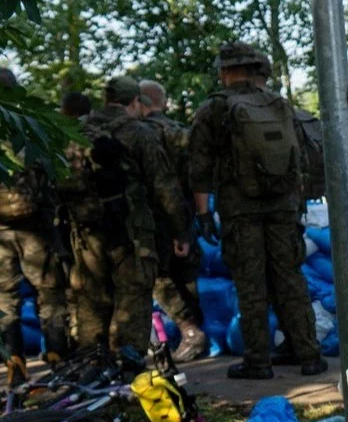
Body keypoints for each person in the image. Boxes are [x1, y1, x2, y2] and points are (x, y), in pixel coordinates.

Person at [187, 43, 325, 380]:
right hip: (284, 208)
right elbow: (301, 158)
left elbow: (198, 168)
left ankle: (258, 361)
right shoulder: (279, 104)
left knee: (251, 284)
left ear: (225, 71)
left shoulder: (215, 109)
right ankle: (307, 354)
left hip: (240, 210)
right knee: (290, 278)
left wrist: (204, 214)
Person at [61, 75, 191, 360]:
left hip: (86, 235)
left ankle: (91, 372)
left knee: (91, 304)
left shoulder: (76, 132)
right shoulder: (139, 133)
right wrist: (180, 231)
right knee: (132, 301)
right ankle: (127, 373)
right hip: (133, 234)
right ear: (134, 102)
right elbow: (164, 186)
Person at [0, 67, 69, 377]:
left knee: (4, 298)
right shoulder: (31, 126)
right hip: (37, 230)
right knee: (51, 294)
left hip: (0, 232)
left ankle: (14, 363)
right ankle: (57, 359)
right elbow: (54, 175)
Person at [136, 78, 209, 361]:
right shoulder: (181, 132)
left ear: (140, 104)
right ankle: (195, 335)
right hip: (185, 212)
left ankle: (190, 331)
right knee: (186, 275)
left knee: (159, 277)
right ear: (163, 102)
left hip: (154, 216)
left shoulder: (143, 133)